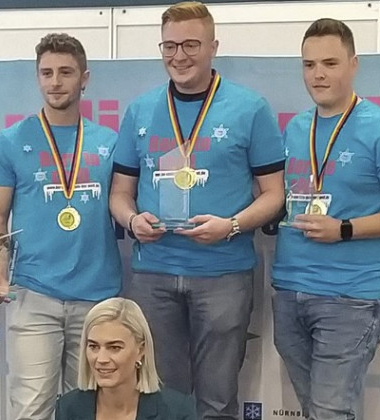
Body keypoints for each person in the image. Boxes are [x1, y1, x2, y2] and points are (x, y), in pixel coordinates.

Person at [109, 2, 285, 418]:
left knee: (217, 400)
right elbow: (119, 193)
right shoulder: (140, 110)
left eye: (191, 44)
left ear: (212, 47)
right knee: (160, 398)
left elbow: (274, 194)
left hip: (223, 273)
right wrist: (131, 220)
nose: (179, 56)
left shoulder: (250, 108)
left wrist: (232, 225)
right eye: (170, 46)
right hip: (153, 273)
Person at [271, 18, 380, 420]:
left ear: (354, 64)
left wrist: (345, 229)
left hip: (350, 297)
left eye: (330, 63)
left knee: (330, 412)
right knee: (316, 411)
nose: (318, 74)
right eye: (309, 65)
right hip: (289, 289)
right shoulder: (296, 128)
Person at [0, 33, 122, 420]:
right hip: (34, 294)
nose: (55, 82)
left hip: (97, 296)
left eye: (66, 72)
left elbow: (125, 203)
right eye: (47, 73)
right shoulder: (10, 142)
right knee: (31, 408)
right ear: (38, 77)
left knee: (87, 408)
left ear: (84, 78)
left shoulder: (110, 143)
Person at [55, 297, 196, 420]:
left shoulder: (177, 412)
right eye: (93, 346)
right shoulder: (68, 407)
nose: (101, 359)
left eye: (114, 347)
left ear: (141, 350)